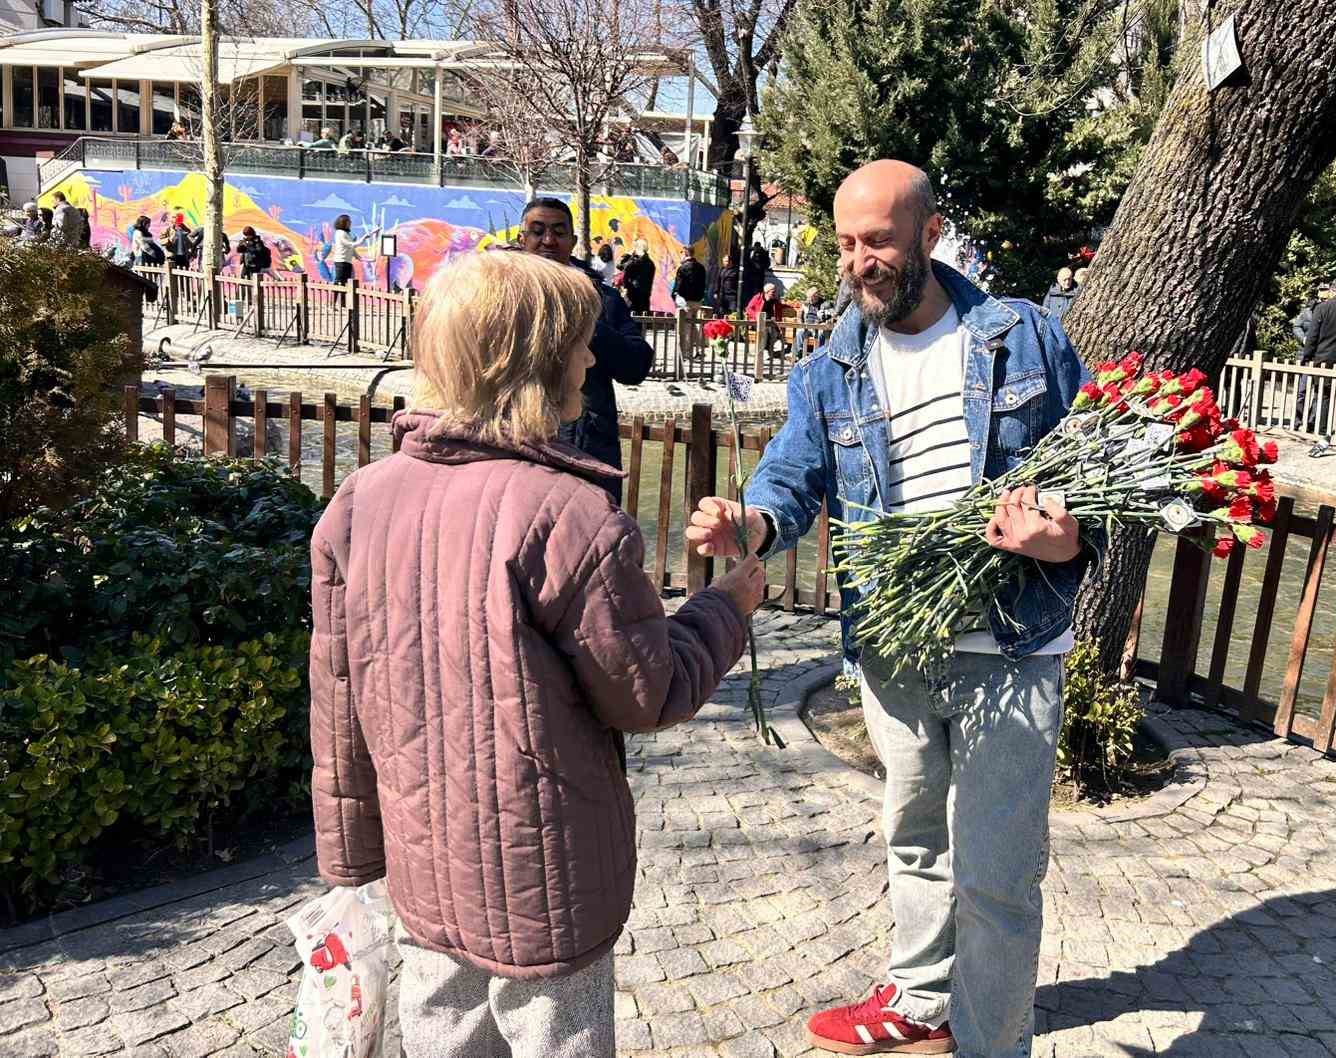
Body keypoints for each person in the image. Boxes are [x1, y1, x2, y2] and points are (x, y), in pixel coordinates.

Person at [309, 250, 764, 1058]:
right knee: (557, 1036)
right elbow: (646, 692)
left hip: (423, 868)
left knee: (440, 1032)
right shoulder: (570, 516)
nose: (593, 358)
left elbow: (336, 699)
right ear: (541, 360)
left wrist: (350, 861)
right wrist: (724, 609)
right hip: (546, 876)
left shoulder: (359, 500)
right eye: (582, 343)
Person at [686, 160, 1094, 1058]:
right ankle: (920, 999)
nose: (859, 262)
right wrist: (748, 524)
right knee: (912, 839)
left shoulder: (1023, 338)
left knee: (996, 876)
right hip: (893, 644)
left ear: (929, 232)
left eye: (878, 241)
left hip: (1013, 647)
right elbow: (792, 481)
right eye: (844, 243)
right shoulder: (832, 363)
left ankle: (991, 1043)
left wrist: (1056, 541)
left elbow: (1090, 497)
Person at [519, 197, 654, 501]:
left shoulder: (601, 299)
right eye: (538, 231)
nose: (548, 240)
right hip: (515, 443)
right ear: (522, 239)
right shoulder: (498, 296)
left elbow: (637, 366)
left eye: (558, 231)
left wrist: (584, 323)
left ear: (573, 240)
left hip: (587, 446)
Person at [672, 249, 708, 359]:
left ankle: (686, 353)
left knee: (685, 327)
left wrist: (675, 296)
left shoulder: (682, 268)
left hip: (685, 301)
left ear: (686, 254)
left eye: (681, 253)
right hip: (698, 300)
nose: (680, 256)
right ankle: (699, 351)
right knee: (698, 326)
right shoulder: (701, 268)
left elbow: (678, 286)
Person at [619, 238, 656, 314]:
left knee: (632, 317)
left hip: (633, 294)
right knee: (643, 317)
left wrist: (629, 255)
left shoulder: (636, 262)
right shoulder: (650, 263)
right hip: (645, 295)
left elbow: (621, 266)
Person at [329, 214, 357, 286]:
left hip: (347, 261)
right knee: (339, 281)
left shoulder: (348, 234)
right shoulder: (340, 233)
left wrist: (359, 257)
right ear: (343, 222)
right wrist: (362, 239)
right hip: (341, 261)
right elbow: (350, 244)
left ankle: (343, 297)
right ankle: (336, 297)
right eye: (348, 221)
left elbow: (351, 247)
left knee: (345, 282)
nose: (350, 223)